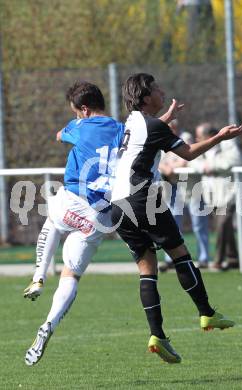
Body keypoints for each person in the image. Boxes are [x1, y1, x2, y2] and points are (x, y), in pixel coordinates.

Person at [23, 81, 179, 366]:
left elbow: (60, 135)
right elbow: (145, 134)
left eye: (76, 111)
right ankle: (49, 323)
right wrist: (165, 118)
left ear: (83, 109)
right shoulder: (123, 129)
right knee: (71, 275)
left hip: (74, 199)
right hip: (101, 216)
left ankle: (38, 276)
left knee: (52, 221)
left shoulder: (80, 126)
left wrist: (70, 130)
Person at [110, 73, 242, 364]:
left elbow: (150, 133)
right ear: (147, 98)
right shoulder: (154, 126)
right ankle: (207, 314)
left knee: (147, 269)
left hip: (117, 204)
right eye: (157, 88)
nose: (162, 91)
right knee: (181, 255)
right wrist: (220, 136)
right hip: (142, 198)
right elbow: (189, 153)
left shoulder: (130, 124)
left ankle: (157, 335)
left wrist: (166, 115)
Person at [191, 122, 242, 270]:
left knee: (222, 225)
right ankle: (233, 258)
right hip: (211, 194)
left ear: (209, 136)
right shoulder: (201, 148)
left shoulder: (227, 143)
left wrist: (211, 166)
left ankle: (218, 260)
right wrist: (203, 167)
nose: (197, 139)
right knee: (224, 227)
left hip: (228, 192)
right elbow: (192, 161)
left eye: (199, 136)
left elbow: (235, 160)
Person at [159, 120, 210, 271]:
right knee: (172, 225)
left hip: (190, 187)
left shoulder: (185, 137)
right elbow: (157, 161)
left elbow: (187, 157)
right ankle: (172, 259)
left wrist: (172, 167)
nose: (171, 129)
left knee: (198, 224)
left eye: (173, 126)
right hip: (171, 187)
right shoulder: (161, 138)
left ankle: (204, 257)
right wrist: (166, 168)